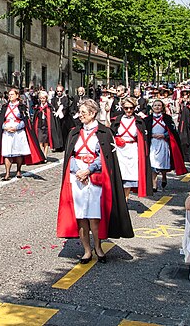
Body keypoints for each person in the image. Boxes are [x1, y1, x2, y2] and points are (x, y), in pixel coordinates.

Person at [57, 99, 134, 263]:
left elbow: (104, 157)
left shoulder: (104, 132)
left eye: (83, 113)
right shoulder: (74, 132)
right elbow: (70, 155)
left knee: (94, 216)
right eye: (80, 112)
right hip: (77, 177)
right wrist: (78, 170)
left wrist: (88, 170)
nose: (80, 116)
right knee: (81, 216)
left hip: (95, 177)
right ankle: (86, 250)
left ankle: (98, 247)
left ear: (92, 113)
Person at [0, 88, 45, 180]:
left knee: (18, 153)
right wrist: (4, 127)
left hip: (18, 132)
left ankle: (18, 170)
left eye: (12, 94)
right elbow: (0, 120)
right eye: (9, 94)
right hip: (7, 132)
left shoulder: (22, 107)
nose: (10, 96)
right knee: (7, 153)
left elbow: (26, 120)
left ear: (17, 96)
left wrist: (16, 127)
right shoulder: (4, 107)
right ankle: (7, 173)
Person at [111, 96, 152, 201]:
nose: (129, 110)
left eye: (131, 108)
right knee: (119, 174)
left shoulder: (139, 121)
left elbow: (143, 138)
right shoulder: (117, 120)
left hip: (133, 150)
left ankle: (125, 199)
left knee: (129, 175)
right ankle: (119, 198)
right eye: (126, 108)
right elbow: (111, 134)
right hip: (119, 150)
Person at [145, 99, 186, 191]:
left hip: (163, 143)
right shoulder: (147, 119)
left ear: (162, 107)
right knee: (153, 163)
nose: (157, 107)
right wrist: (152, 135)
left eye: (159, 105)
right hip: (152, 143)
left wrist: (164, 135)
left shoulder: (167, 118)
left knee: (163, 163)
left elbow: (172, 131)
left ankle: (164, 176)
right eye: (155, 105)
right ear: (152, 107)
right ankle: (154, 184)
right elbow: (145, 132)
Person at [33, 90, 63, 158]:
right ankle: (41, 155)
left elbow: (52, 117)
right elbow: (35, 117)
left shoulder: (50, 107)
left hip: (47, 126)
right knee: (40, 141)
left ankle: (45, 155)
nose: (42, 100)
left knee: (46, 142)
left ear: (46, 98)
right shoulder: (38, 107)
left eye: (43, 98)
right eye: (41, 98)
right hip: (40, 126)